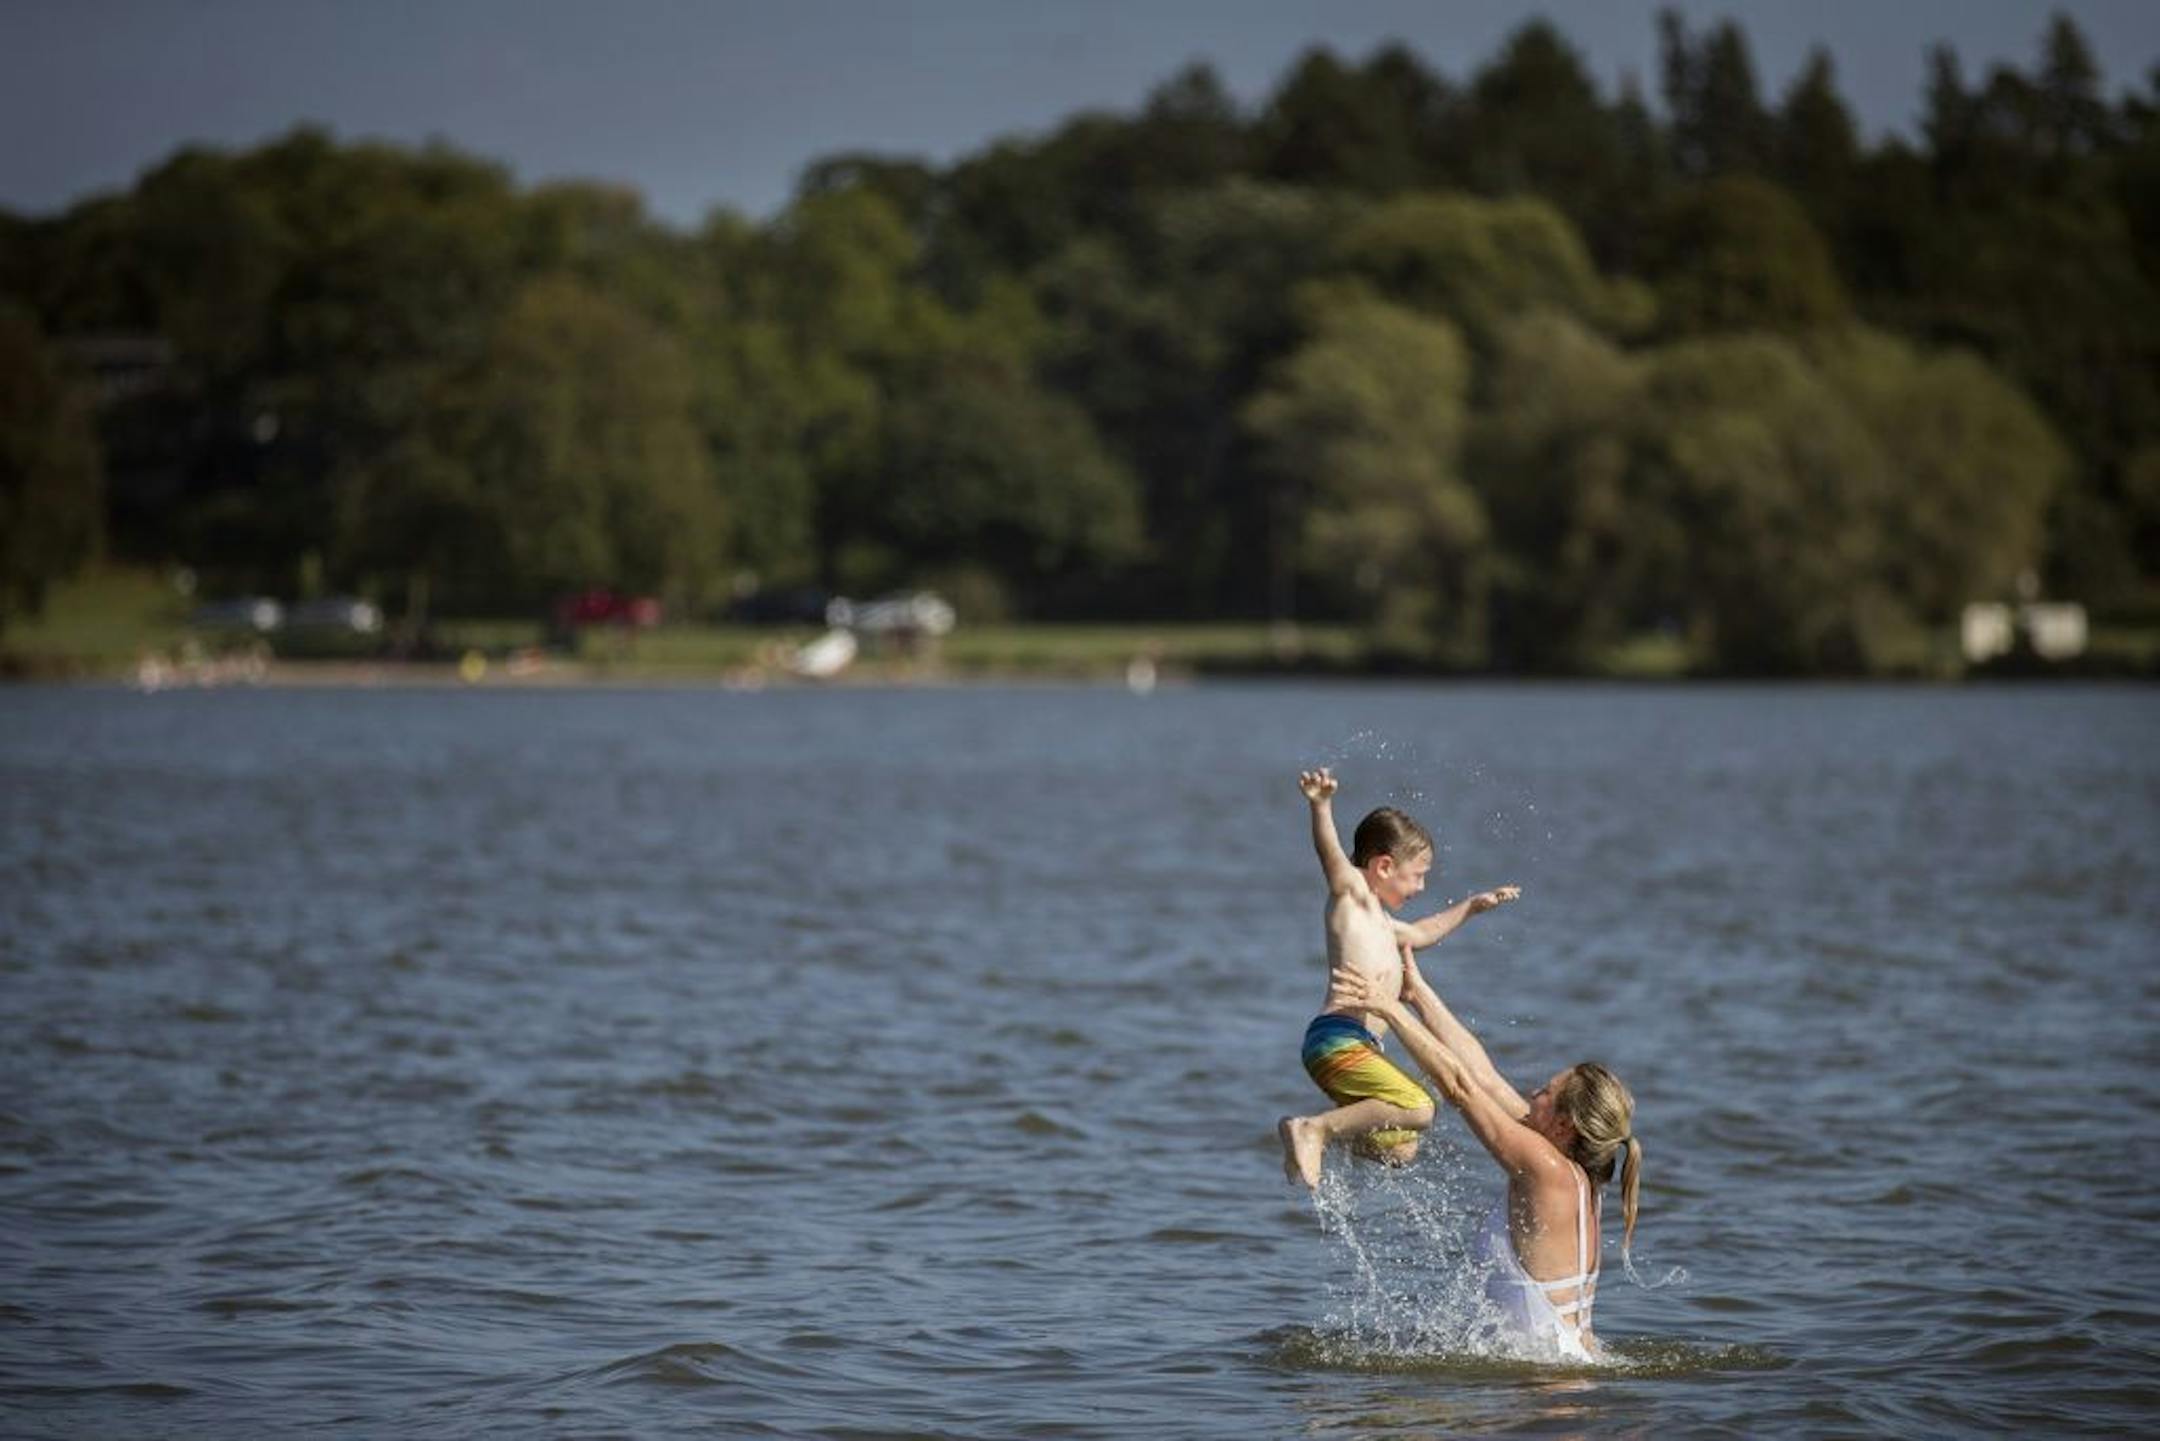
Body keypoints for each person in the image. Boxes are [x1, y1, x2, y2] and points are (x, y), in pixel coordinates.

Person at [1343, 952, 1643, 1362]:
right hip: (1569, 1368)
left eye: (1544, 1093)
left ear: (1564, 1127)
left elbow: (1461, 1089)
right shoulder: (1576, 1167)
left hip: (1548, 1388)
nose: (1531, 1095)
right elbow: (1481, 1074)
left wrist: (1389, 1011)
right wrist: (1417, 993)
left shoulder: (1545, 1167)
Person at [1277, 767, 1520, 1188]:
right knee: (1420, 1108)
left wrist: (1472, 907)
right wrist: (1321, 805)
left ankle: (1322, 1134)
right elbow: (1331, 856)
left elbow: (1425, 932)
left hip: (1357, 1048)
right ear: (1384, 866)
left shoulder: (1389, 927)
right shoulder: (1352, 896)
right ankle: (1313, 1129)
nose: (1422, 887)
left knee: (1402, 1150)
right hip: (1338, 1040)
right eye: (1418, 874)